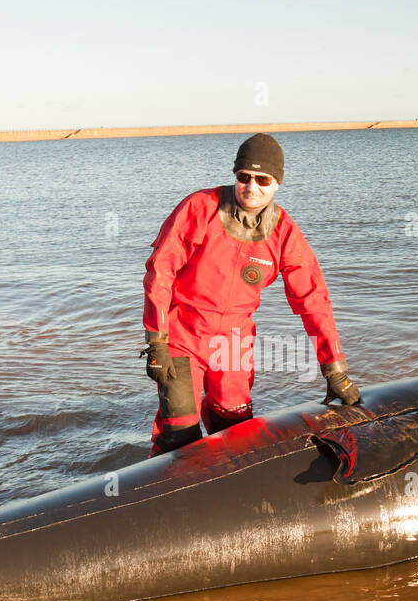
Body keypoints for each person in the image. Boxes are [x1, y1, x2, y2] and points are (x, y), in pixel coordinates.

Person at [140, 133, 361, 457]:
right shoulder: (199, 208)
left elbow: (314, 302)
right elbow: (161, 271)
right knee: (179, 431)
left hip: (232, 339)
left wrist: (335, 370)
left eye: (262, 179)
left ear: (276, 184)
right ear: (235, 176)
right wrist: (156, 341)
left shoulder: (285, 232)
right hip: (183, 332)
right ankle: (159, 494)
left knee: (235, 425)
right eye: (244, 177)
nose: (251, 186)